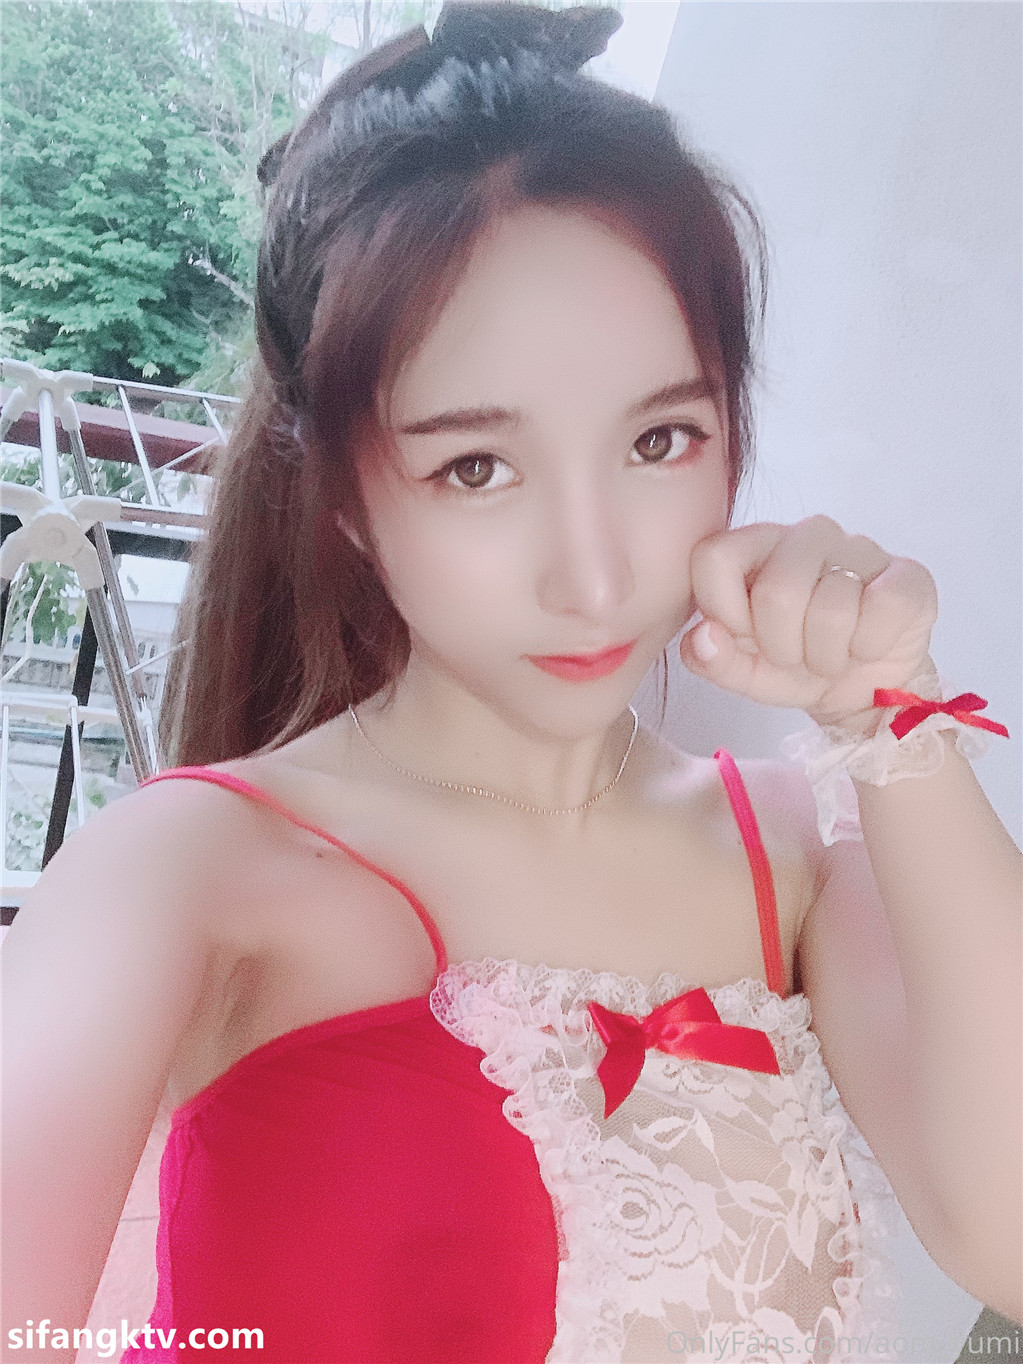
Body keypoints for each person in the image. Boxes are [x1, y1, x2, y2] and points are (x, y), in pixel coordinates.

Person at [3, 4, 1020, 1362]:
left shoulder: (793, 854)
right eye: (475, 468)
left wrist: (892, 714)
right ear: (346, 493)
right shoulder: (195, 868)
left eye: (661, 440)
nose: (594, 579)